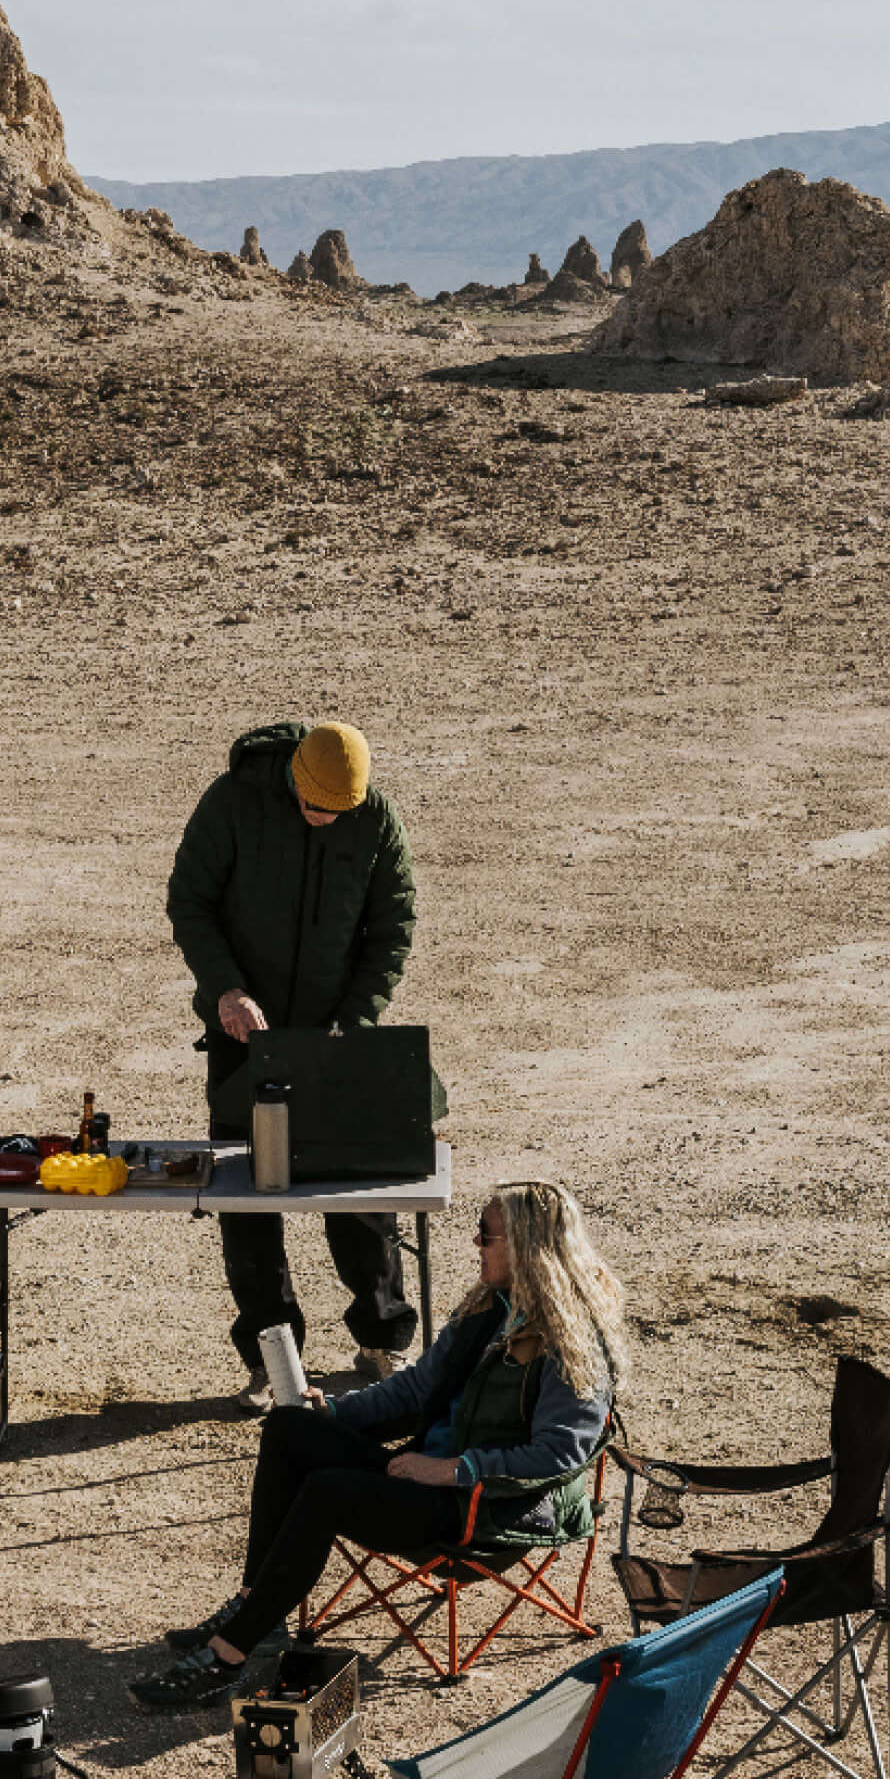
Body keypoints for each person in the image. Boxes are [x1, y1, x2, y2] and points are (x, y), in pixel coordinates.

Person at [128, 1181, 623, 1708]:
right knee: (289, 1427)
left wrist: (454, 1469)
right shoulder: (489, 1307)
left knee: (328, 1491)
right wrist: (335, 1413)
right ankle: (258, 1608)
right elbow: (414, 1390)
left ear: (528, 1247)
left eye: (486, 1235)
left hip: (486, 1508)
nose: (476, 1244)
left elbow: (559, 1455)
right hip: (424, 1473)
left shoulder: (571, 1341)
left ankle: (228, 1657)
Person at [166, 716, 418, 1408]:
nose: (322, 822)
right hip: (240, 1032)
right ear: (291, 780)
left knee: (357, 1191)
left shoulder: (374, 820)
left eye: (337, 815)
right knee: (247, 1193)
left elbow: (392, 927)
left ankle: (381, 1338)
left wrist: (352, 1024)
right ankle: (270, 1352)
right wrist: (226, 989)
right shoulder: (232, 800)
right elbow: (188, 900)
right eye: (313, 810)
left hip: (335, 1036)